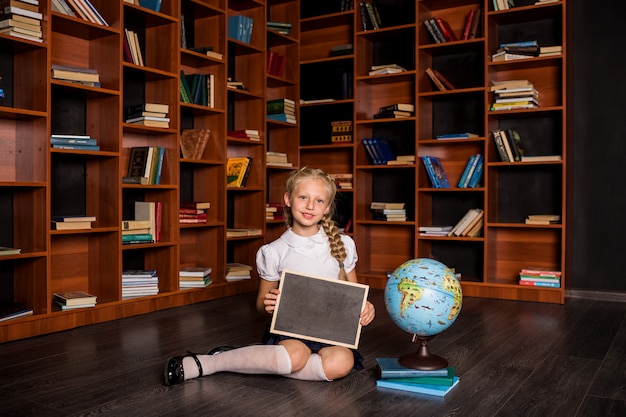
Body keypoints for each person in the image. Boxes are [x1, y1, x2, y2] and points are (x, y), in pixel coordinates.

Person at [165, 167, 375, 385]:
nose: (310, 206)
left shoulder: (344, 244)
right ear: (288, 199)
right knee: (295, 355)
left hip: (331, 333)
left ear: (327, 208)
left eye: (319, 201)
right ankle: (210, 363)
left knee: (342, 363)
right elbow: (260, 303)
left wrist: (366, 308)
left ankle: (263, 360)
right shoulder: (274, 251)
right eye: (303, 197)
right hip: (291, 331)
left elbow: (355, 296)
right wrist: (269, 303)